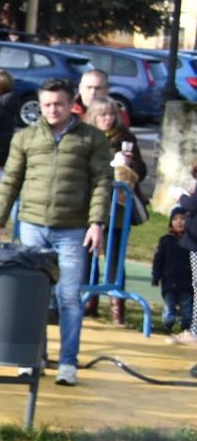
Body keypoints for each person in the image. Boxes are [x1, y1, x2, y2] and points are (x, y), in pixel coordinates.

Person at [0, 79, 111, 386]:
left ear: (72, 104)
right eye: (47, 104)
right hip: (32, 225)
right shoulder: (26, 137)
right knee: (33, 296)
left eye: (59, 104)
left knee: (68, 297)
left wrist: (97, 223)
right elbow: (11, 180)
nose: (53, 110)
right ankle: (31, 357)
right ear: (40, 105)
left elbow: (102, 182)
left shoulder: (91, 138)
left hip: (72, 228)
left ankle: (68, 361)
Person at [84, 93, 147, 326]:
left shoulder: (126, 137)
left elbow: (142, 170)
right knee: (88, 254)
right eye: (102, 115)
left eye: (111, 114)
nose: (107, 119)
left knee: (114, 258)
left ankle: (116, 308)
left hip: (119, 206)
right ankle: (87, 301)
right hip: (91, 205)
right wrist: (112, 163)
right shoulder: (86, 136)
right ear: (93, 116)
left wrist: (130, 164)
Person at [152, 199, 194, 340]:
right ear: (171, 222)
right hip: (169, 280)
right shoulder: (166, 240)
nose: (179, 222)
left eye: (182, 219)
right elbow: (159, 260)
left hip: (187, 282)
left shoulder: (192, 241)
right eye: (175, 219)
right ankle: (167, 326)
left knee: (187, 307)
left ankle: (186, 327)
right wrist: (156, 276)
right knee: (169, 306)